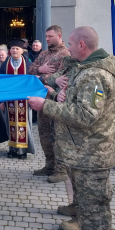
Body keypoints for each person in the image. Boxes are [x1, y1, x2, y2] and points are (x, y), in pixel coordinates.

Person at [28, 26, 115, 230]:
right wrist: (57, 94)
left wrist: (45, 105)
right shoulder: (85, 70)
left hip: (92, 156)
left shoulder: (96, 75)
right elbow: (76, 102)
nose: (67, 48)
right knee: (87, 214)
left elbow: (85, 115)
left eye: (70, 43)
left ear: (82, 45)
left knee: (96, 215)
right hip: (82, 154)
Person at [28, 25, 70, 182]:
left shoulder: (65, 54)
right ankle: (49, 165)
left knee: (57, 135)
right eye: (46, 36)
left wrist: (43, 77)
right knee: (44, 134)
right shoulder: (44, 54)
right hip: (42, 99)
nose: (47, 39)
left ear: (59, 36)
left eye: (50, 36)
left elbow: (61, 78)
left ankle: (61, 170)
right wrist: (42, 68)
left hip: (57, 100)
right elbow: (31, 71)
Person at [0, 38, 34, 159]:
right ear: (9, 50)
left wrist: (31, 99)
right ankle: (12, 149)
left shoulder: (28, 63)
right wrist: (2, 101)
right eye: (13, 48)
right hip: (9, 101)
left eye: (17, 49)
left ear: (22, 50)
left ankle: (23, 151)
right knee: (11, 125)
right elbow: (1, 83)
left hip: (24, 100)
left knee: (24, 125)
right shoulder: (5, 64)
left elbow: (31, 81)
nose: (14, 51)